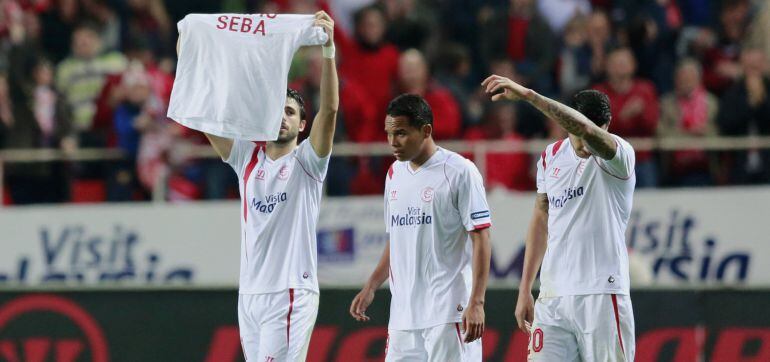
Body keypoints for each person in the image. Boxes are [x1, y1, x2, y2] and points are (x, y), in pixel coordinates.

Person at [202, 12, 338, 361]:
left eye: (291, 112)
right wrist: (194, 58)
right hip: (250, 294)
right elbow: (205, 115)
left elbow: (331, 110)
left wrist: (328, 52)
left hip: (289, 291)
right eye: (277, 109)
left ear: (303, 124)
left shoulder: (308, 162)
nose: (282, 117)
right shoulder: (247, 159)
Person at [482, 74, 636, 361]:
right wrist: (525, 287)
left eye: (593, 129)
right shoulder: (549, 157)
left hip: (601, 293)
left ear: (608, 125)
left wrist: (529, 96)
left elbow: (587, 131)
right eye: (574, 130)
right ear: (564, 125)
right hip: (553, 297)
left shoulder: (619, 155)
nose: (583, 141)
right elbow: (541, 218)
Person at [349, 94, 493, 361]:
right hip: (403, 317)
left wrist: (477, 302)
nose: (393, 142)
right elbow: (398, 239)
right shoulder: (394, 174)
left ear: (426, 130)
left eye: (401, 133)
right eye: (389, 133)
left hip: (449, 312)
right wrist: (371, 286)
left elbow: (481, 237)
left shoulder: (460, 171)